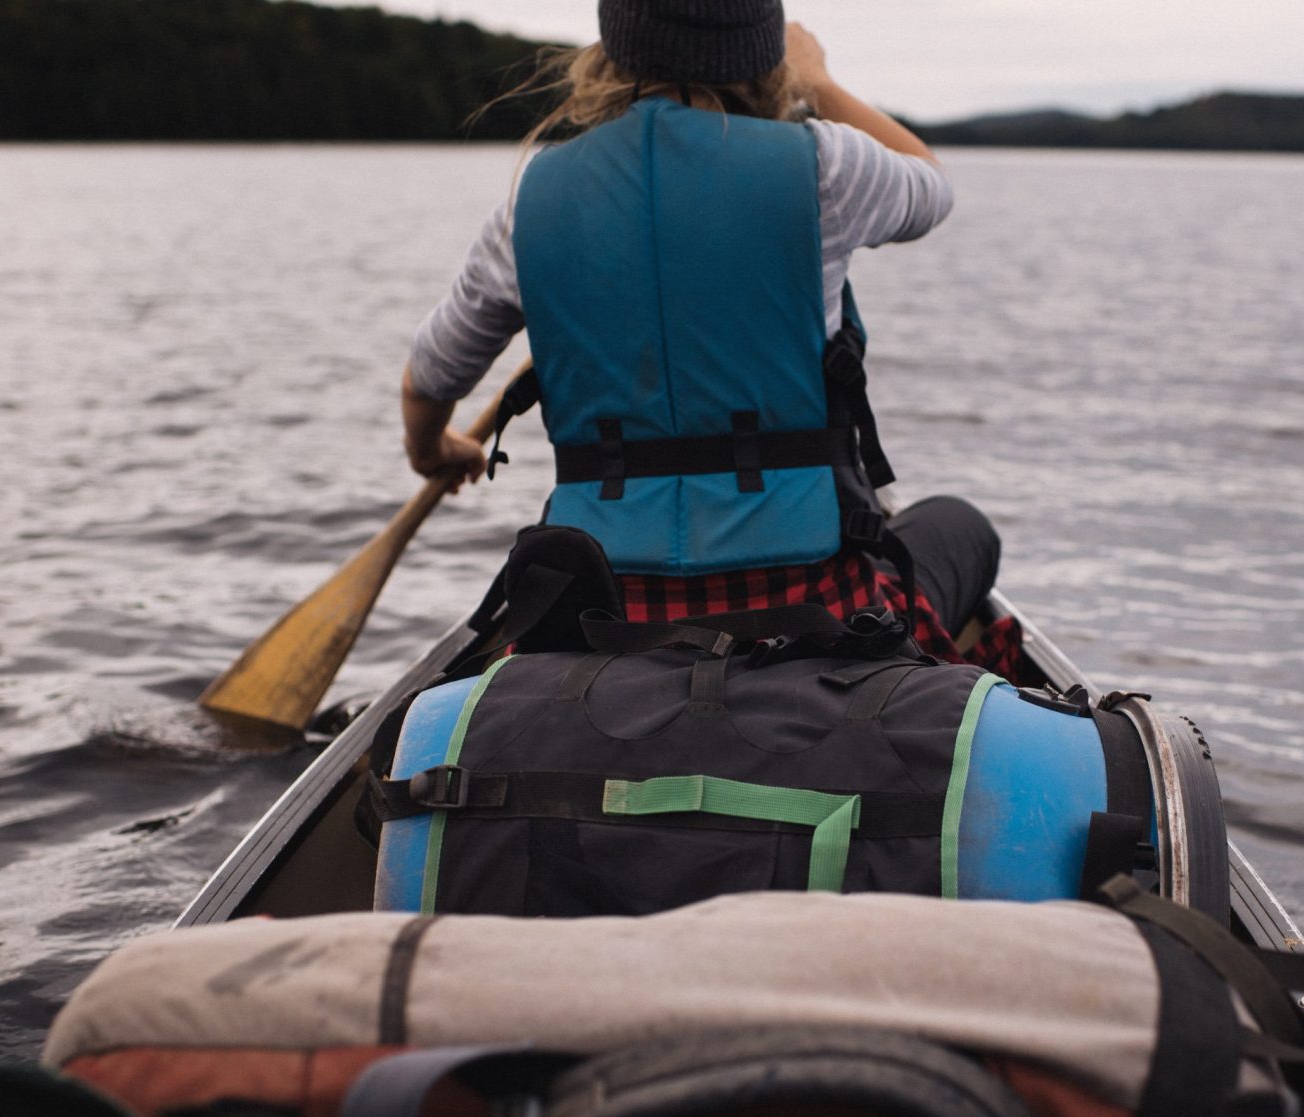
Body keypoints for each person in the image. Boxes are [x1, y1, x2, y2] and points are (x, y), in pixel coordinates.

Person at [400, 1, 1008, 667]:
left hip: (608, 604)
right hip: (809, 604)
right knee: (959, 526)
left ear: (616, 50)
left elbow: (429, 377)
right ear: (761, 54)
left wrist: (434, 449)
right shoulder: (826, 166)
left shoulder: (530, 202)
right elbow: (931, 185)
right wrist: (819, 83)